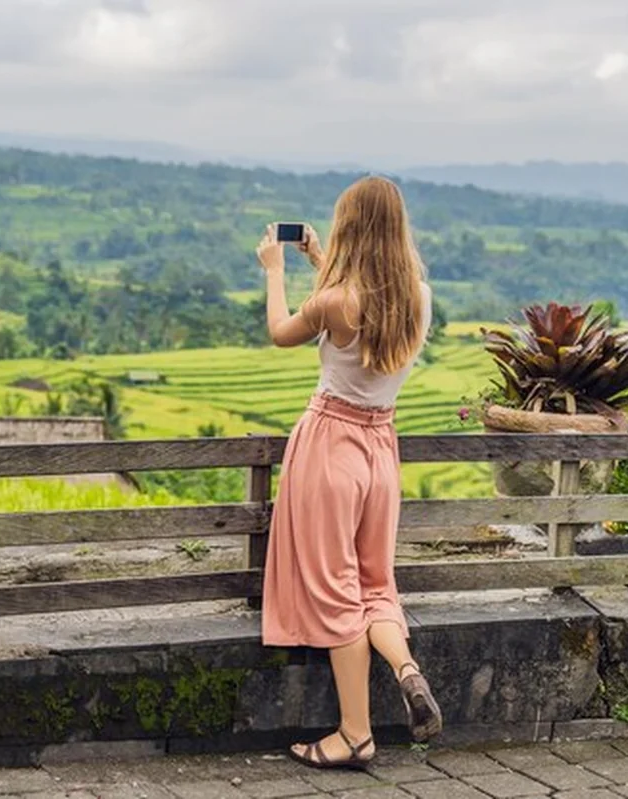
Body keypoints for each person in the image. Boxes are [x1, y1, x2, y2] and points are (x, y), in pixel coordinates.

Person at [254, 175, 442, 771]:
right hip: (381, 451)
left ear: (351, 228)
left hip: (331, 446)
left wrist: (275, 270)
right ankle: (406, 669)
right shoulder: (418, 297)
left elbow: (282, 333)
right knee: (375, 584)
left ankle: (355, 735)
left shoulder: (336, 302)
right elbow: (367, 302)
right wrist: (320, 261)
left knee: (338, 592)